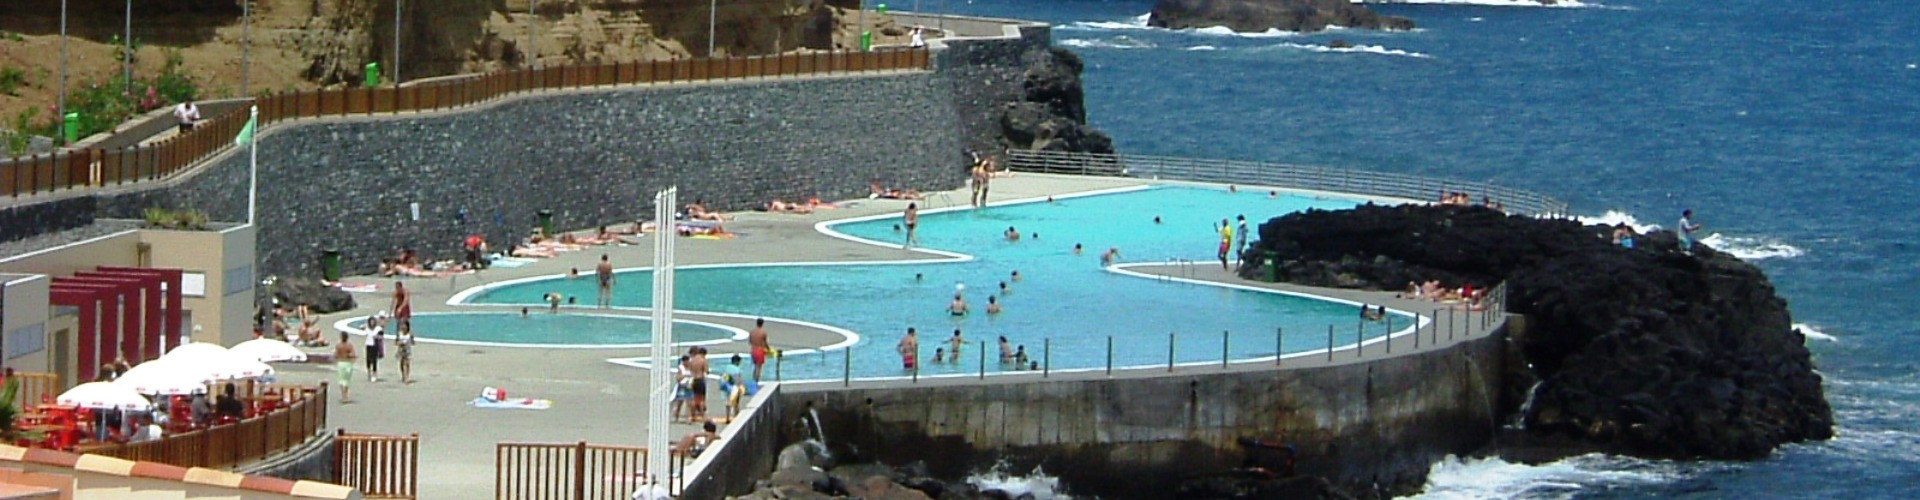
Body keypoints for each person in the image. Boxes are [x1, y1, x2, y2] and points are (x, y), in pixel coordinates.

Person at [687, 347, 711, 422]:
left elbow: (690, 369)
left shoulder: (692, 360)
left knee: (694, 398)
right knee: (701, 399)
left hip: (694, 380)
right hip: (700, 379)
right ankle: (702, 415)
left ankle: (693, 415)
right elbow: (706, 371)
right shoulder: (703, 360)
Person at [334, 332, 357, 403]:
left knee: (341, 380)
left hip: (341, 363)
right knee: (347, 380)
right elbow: (353, 354)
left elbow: (335, 355)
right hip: (348, 363)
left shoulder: (338, 345)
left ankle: (343, 396)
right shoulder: (349, 345)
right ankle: (346, 396)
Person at [672, 355, 693, 422]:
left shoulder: (691, 367)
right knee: (680, 402)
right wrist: (685, 376)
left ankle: (689, 418)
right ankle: (676, 417)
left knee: (689, 403)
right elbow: (678, 378)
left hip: (689, 386)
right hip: (682, 386)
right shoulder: (681, 368)